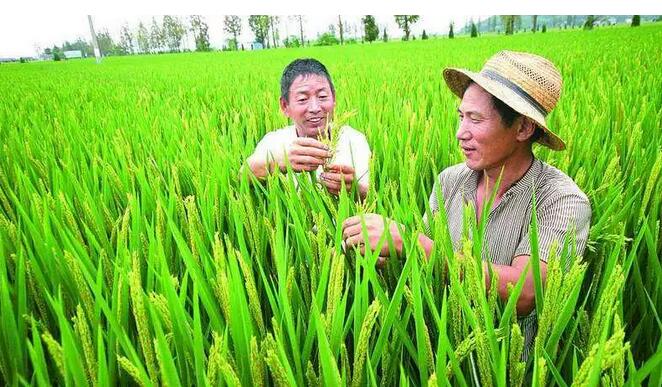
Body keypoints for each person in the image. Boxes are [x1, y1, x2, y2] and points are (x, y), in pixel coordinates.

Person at [341, 51, 591, 359]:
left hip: (510, 365)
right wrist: (386, 252)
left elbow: (526, 292)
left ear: (523, 128)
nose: (461, 133)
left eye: (476, 119)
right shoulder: (450, 181)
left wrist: (410, 243)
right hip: (437, 355)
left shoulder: (561, 200)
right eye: (461, 116)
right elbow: (424, 258)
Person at [244, 58, 371, 198]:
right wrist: (279, 162)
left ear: (334, 99)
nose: (315, 108)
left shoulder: (353, 139)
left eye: (322, 96)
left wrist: (355, 189)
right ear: (285, 106)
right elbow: (243, 177)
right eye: (303, 99)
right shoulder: (274, 142)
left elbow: (369, 194)